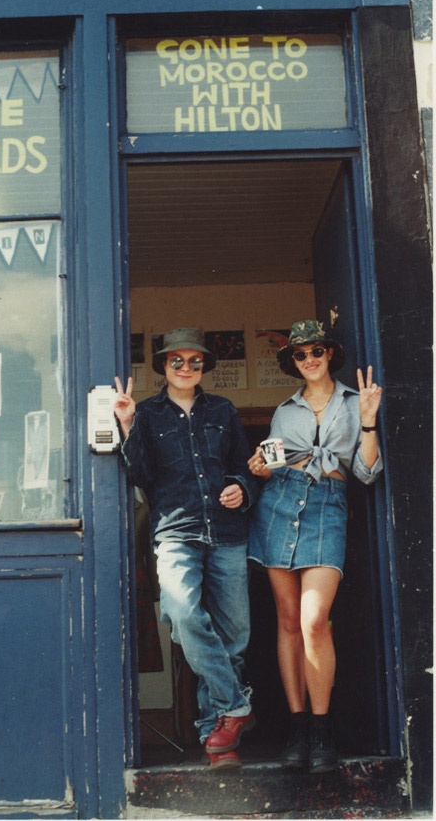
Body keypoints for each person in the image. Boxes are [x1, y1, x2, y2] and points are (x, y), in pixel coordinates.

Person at [114, 327, 259, 769]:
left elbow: (244, 466)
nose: (186, 368)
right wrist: (126, 424)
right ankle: (236, 707)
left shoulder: (223, 409)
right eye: (177, 361)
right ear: (163, 366)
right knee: (181, 613)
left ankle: (218, 742)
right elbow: (139, 474)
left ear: (203, 367)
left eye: (194, 362)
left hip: (227, 532)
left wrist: (240, 487)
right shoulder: (149, 415)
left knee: (234, 638)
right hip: (176, 531)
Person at [248, 320, 383, 774]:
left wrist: (367, 420)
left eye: (317, 352)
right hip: (280, 505)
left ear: (329, 355)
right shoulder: (285, 411)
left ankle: (323, 729)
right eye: (301, 355)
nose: (309, 360)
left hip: (327, 507)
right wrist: (261, 469)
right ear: (293, 362)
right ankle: (298, 727)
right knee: (287, 621)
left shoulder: (352, 400)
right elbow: (269, 462)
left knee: (314, 621)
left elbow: (366, 473)